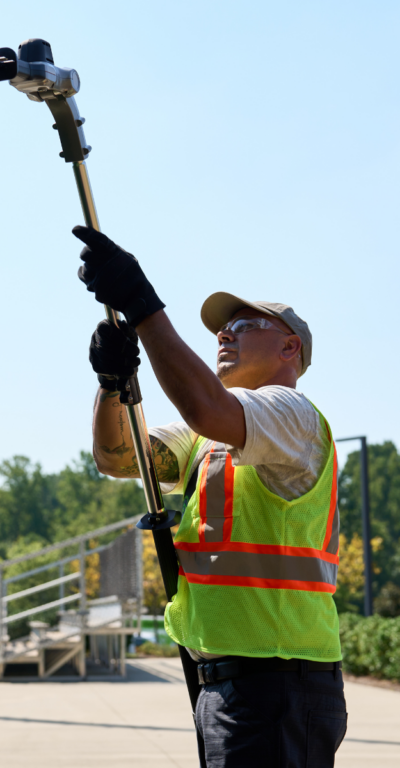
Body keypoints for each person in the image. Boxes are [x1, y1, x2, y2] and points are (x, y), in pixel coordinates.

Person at [74, 225, 347, 768]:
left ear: (290, 347)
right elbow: (117, 457)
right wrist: (113, 383)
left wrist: (144, 307)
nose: (223, 335)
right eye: (220, 330)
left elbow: (208, 406)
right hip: (229, 681)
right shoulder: (207, 437)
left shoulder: (293, 416)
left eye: (242, 326)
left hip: (278, 678)